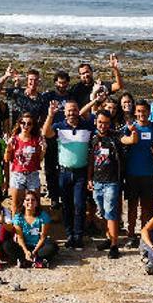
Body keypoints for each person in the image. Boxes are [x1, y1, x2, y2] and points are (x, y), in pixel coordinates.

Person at [42, 99, 95, 249]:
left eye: (74, 110)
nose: (72, 113)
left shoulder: (87, 127)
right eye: (69, 110)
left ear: (78, 111)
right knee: (66, 206)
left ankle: (78, 235)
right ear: (64, 112)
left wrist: (94, 100)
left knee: (79, 205)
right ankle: (69, 235)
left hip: (81, 173)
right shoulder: (59, 127)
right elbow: (45, 132)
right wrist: (50, 115)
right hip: (64, 173)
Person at [88, 110, 138, 259]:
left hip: (112, 182)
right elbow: (91, 159)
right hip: (97, 181)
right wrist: (89, 178)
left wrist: (133, 130)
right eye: (100, 122)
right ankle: (108, 238)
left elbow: (131, 141)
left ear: (110, 123)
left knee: (111, 213)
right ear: (96, 122)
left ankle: (114, 245)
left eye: (106, 123)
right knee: (103, 212)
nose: (103, 125)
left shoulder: (115, 136)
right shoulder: (93, 137)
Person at [122, 100, 153, 249]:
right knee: (132, 206)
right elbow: (122, 141)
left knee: (148, 206)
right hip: (132, 173)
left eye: (144, 111)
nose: (141, 114)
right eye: (139, 111)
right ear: (135, 113)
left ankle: (146, 234)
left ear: (149, 112)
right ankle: (131, 235)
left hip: (150, 174)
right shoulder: (129, 128)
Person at [41, 70, 73, 208]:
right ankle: (54, 197)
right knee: (50, 168)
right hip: (51, 135)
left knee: (65, 167)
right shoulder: (48, 96)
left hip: (67, 137)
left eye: (64, 83)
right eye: (59, 82)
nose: (62, 85)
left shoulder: (72, 97)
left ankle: (65, 195)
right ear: (55, 83)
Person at [5, 113, 44, 213]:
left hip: (32, 174)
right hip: (17, 174)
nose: (25, 126)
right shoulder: (14, 139)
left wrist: (43, 150)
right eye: (23, 123)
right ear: (19, 124)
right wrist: (8, 148)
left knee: (35, 204)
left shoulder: (36, 140)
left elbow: (39, 160)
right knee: (16, 203)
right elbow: (7, 159)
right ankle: (16, 227)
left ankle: (33, 226)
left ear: (32, 125)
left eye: (29, 123)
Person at [10, 191, 58, 268]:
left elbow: (43, 237)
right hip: (24, 246)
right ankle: (36, 261)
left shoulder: (43, 216)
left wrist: (34, 252)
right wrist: (26, 251)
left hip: (38, 246)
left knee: (52, 247)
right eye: (27, 200)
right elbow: (20, 237)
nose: (30, 202)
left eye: (33, 200)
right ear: (23, 203)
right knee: (7, 245)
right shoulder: (18, 217)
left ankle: (26, 261)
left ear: (37, 203)